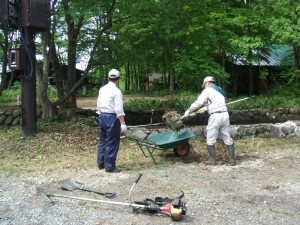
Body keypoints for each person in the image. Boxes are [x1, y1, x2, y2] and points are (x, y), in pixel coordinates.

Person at [184, 76, 236, 166]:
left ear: (207, 83)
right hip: (225, 115)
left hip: (215, 116)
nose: (204, 86)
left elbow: (199, 102)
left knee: (211, 137)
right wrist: (206, 107)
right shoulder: (220, 90)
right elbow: (217, 101)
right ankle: (232, 160)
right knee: (226, 136)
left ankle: (212, 160)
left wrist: (188, 111)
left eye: (204, 85)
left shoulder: (207, 90)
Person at [96, 69, 127, 173]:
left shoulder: (102, 89)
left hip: (102, 115)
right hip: (112, 118)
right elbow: (118, 109)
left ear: (108, 78)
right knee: (112, 142)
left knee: (103, 140)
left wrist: (100, 115)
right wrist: (122, 123)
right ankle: (110, 167)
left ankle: (101, 163)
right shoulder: (117, 92)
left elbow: (99, 104)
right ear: (118, 79)